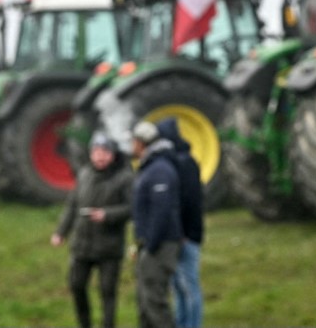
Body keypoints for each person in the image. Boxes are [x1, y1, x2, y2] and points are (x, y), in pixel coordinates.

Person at [51, 131, 134, 328]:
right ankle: (85, 323)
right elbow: (72, 205)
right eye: (96, 151)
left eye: (105, 151)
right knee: (76, 286)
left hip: (109, 248)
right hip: (82, 245)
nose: (100, 156)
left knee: (107, 292)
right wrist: (61, 232)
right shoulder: (84, 174)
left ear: (113, 154)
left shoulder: (125, 178)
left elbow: (132, 208)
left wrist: (107, 215)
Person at [131, 120, 182, 328]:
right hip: (151, 244)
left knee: (155, 303)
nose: (131, 145)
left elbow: (161, 211)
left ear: (142, 143)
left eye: (134, 141)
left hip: (160, 245)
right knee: (144, 303)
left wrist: (150, 244)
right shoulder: (151, 167)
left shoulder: (159, 170)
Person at [156, 117, 204, 328]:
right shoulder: (175, 161)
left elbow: (190, 201)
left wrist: (185, 232)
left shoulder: (185, 163)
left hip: (186, 235)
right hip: (176, 234)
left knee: (188, 286)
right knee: (177, 286)